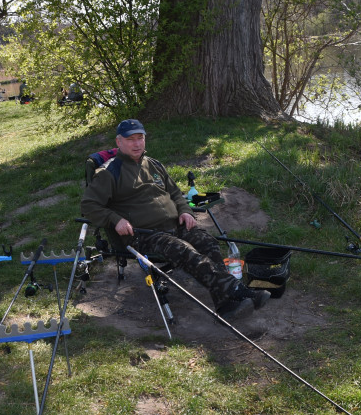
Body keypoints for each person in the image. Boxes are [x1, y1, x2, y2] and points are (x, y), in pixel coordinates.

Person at [81, 119, 270, 321]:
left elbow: (175, 192)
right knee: (187, 252)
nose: (137, 144)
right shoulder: (109, 173)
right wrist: (115, 219)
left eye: (140, 138)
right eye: (130, 139)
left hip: (174, 224)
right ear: (118, 142)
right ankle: (237, 290)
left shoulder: (153, 164)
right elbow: (89, 205)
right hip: (144, 235)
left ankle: (225, 304)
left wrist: (184, 211)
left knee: (209, 244)